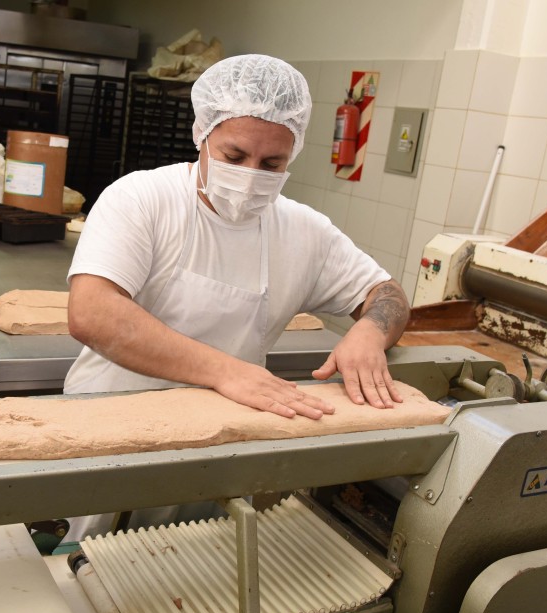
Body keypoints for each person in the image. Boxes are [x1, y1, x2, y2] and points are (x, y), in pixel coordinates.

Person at [61, 54, 410, 539]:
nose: (251, 175)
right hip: (114, 439)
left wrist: (371, 332)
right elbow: (92, 314)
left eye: (272, 164)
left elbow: (386, 292)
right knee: (91, 572)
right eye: (234, 157)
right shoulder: (142, 199)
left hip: (222, 453)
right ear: (202, 134)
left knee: (204, 579)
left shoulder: (303, 231)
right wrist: (228, 371)